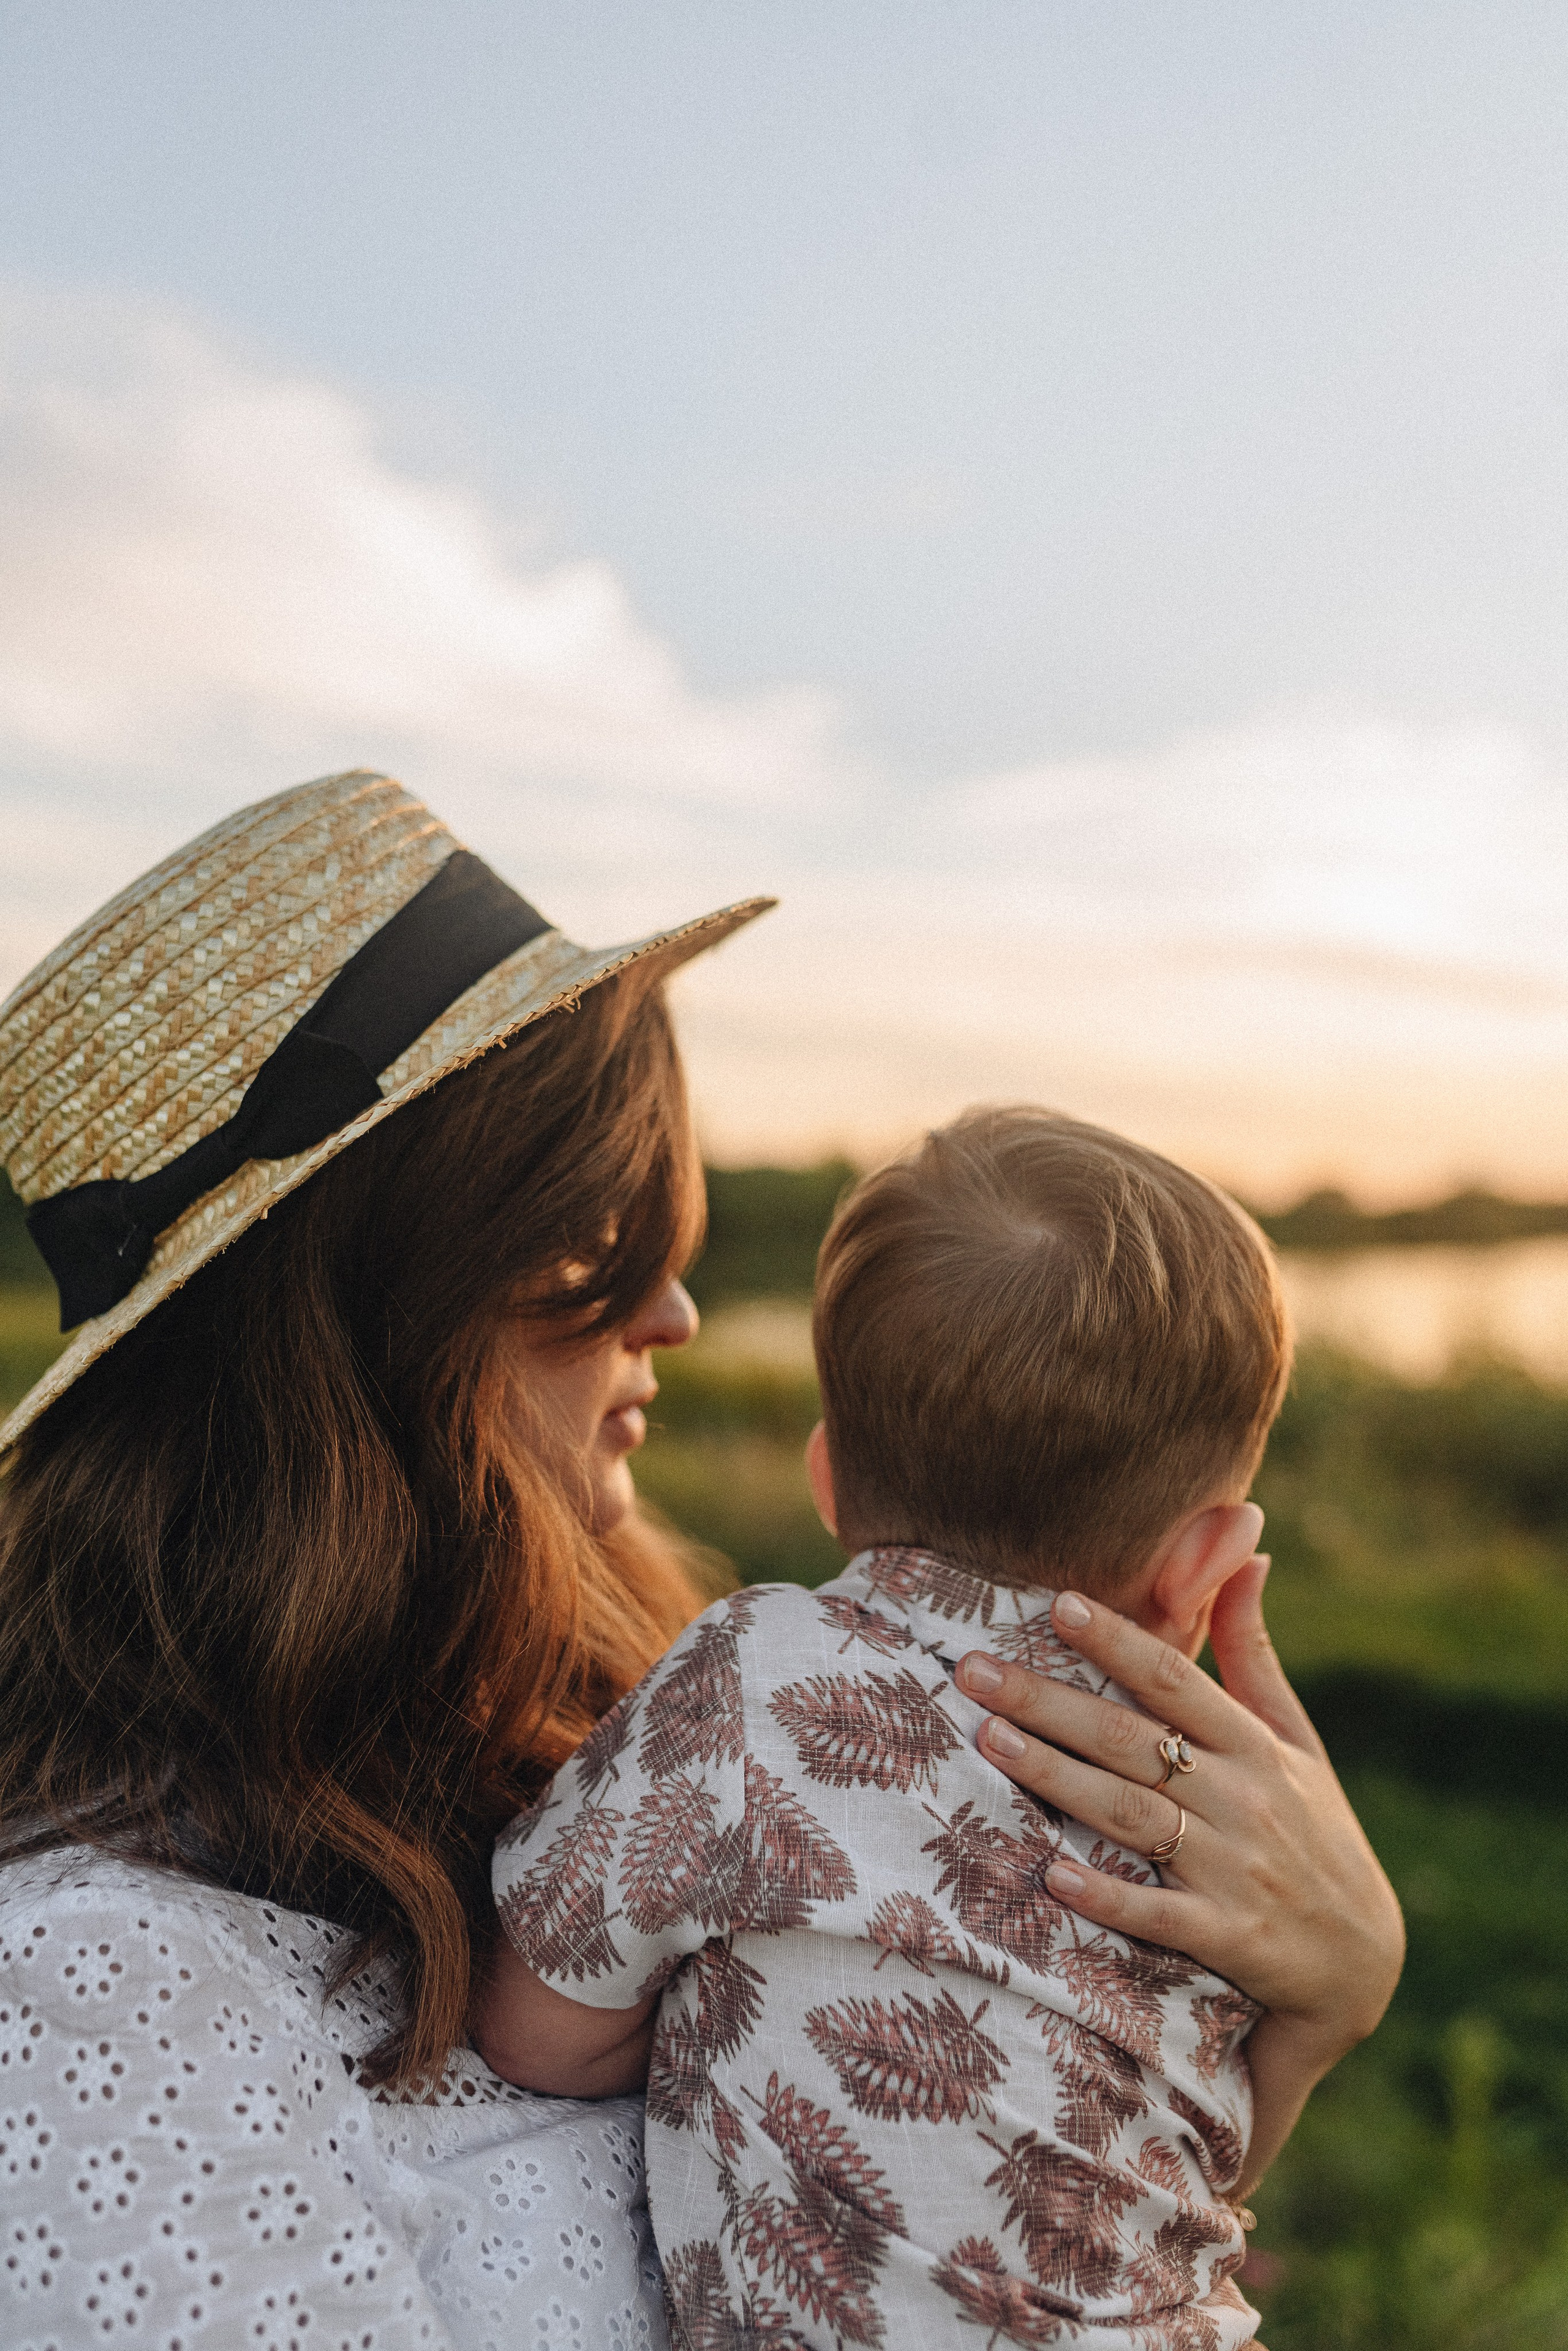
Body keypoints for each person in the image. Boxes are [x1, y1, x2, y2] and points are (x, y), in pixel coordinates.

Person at [0, 772, 1403, 2351]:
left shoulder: (655, 1693)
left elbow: (1065, 2218)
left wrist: (1337, 1980)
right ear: (374, 1315)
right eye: (589, 1241)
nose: (670, 1310)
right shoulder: (99, 1990)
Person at [479, 1109, 1302, 2345]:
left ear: (826, 1475)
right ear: (1206, 1563)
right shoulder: (1232, 1822)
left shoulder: (754, 1673)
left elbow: (534, 2033)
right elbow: (1213, 2145)